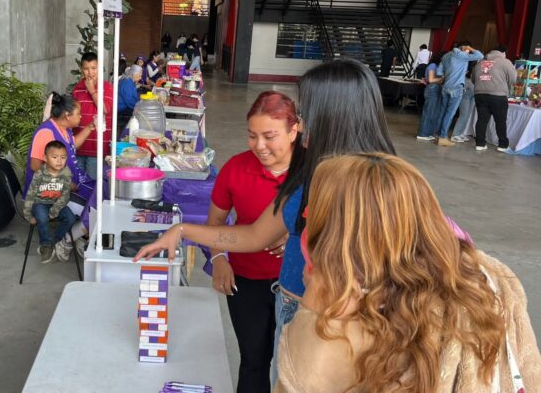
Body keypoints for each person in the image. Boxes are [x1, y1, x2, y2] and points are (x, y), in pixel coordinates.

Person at [134, 59, 397, 386]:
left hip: (329, 327)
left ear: (333, 116)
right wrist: (184, 230)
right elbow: (254, 236)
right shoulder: (312, 176)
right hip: (294, 313)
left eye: (305, 112)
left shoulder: (382, 187)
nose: (301, 122)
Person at [274, 153, 541, 392]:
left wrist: (316, 299)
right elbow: (529, 368)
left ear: (339, 234)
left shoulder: (333, 318)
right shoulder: (488, 278)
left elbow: (302, 381)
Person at [207, 92, 302, 393]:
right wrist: (219, 258)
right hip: (246, 280)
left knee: (293, 364)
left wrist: (298, 233)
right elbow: (215, 223)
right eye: (252, 136)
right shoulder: (235, 169)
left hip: (300, 287)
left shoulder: (315, 170)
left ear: (293, 130)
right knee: (253, 359)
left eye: (269, 136)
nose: (259, 146)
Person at [24, 93, 95, 257]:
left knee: (97, 191)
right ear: (67, 115)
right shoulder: (46, 133)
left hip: (68, 181)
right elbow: (35, 165)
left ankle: (79, 235)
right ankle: (67, 241)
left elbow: (71, 146)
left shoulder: (64, 129)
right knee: (92, 206)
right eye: (78, 113)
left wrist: (90, 128)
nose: (81, 116)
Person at [23, 141, 77, 263]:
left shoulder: (66, 173)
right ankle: (45, 244)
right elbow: (30, 195)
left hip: (58, 203)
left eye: (63, 157)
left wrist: (55, 210)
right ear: (45, 158)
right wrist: (28, 215)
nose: (59, 161)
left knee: (71, 218)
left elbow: (65, 195)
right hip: (40, 202)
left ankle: (54, 241)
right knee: (42, 217)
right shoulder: (39, 174)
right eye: (54, 157)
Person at [72, 52, 114, 180]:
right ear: (81, 70)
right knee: (79, 186)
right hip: (78, 147)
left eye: (93, 68)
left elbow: (105, 109)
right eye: (86, 69)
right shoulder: (77, 89)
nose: (90, 72)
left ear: (99, 68)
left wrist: (91, 90)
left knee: (93, 188)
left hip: (97, 149)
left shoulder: (106, 87)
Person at [435, 41, 484, 147]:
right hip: (456, 88)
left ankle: (438, 136)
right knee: (450, 114)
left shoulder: (446, 56)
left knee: (442, 112)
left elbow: (439, 73)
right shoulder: (461, 55)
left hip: (445, 87)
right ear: (464, 48)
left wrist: (450, 74)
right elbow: (480, 55)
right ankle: (443, 137)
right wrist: (470, 48)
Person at [472, 45, 517, 152]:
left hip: (480, 94)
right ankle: (502, 145)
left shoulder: (480, 62)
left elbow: (474, 79)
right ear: (504, 52)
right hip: (498, 95)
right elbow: (513, 79)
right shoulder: (505, 61)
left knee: (482, 120)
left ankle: (480, 144)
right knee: (500, 121)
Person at [416, 51, 445, 141]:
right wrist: (443, 77)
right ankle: (422, 133)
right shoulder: (432, 65)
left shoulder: (438, 66)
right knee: (429, 112)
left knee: (433, 113)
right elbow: (431, 79)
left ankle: (428, 133)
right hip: (432, 89)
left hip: (435, 89)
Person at [450, 68, 476, 143]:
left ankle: (460, 133)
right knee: (463, 115)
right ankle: (455, 134)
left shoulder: (480, 70)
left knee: (467, 115)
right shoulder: (467, 71)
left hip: (473, 95)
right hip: (466, 95)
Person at [118, 64, 143, 132]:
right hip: (122, 110)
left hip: (126, 107)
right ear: (133, 74)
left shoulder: (129, 80)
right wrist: (139, 108)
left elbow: (133, 97)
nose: (140, 78)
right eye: (139, 75)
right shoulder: (126, 82)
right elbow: (130, 102)